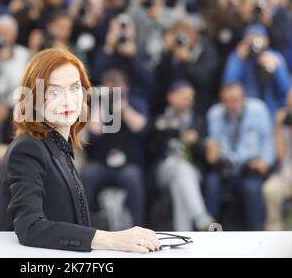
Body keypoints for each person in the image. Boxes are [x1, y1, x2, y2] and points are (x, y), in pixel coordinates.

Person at [0, 48, 160, 253]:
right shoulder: (28, 148)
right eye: (53, 91)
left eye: (75, 88)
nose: (67, 100)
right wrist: (113, 239)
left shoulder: (57, 146)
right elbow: (30, 227)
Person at [81, 69, 149, 227]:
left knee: (133, 178)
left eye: (115, 87)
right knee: (88, 174)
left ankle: (139, 226)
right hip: (102, 164)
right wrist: (101, 103)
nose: (112, 92)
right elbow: (94, 131)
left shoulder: (136, 102)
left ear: (125, 87)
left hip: (128, 164)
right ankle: (85, 223)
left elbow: (140, 126)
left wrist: (123, 107)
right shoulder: (99, 104)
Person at [204, 83, 275, 230]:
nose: (232, 104)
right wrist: (210, 149)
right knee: (211, 183)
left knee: (251, 188)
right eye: (227, 101)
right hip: (225, 168)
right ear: (221, 100)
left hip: (249, 167)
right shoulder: (214, 113)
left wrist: (265, 162)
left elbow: (268, 140)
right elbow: (212, 147)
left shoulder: (258, 109)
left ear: (243, 98)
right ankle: (209, 232)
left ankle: (258, 234)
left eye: (235, 100)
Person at [153, 81, 213, 231]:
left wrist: (196, 141)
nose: (189, 101)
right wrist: (163, 133)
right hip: (164, 168)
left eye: (191, 97)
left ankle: (185, 233)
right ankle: (201, 216)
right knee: (179, 169)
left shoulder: (198, 121)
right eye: (184, 97)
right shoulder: (160, 120)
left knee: (180, 180)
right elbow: (149, 150)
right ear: (171, 97)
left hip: (192, 170)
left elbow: (206, 155)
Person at [222, 24, 290, 118]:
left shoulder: (274, 57)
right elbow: (228, 86)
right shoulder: (238, 57)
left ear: (267, 41)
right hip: (245, 111)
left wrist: (277, 69)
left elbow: (287, 90)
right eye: (251, 39)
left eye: (258, 39)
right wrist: (238, 61)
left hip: (272, 110)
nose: (255, 44)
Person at [263, 90, 292, 230]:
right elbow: (280, 157)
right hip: (286, 175)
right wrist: (278, 128)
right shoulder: (284, 124)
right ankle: (274, 234)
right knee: (270, 189)